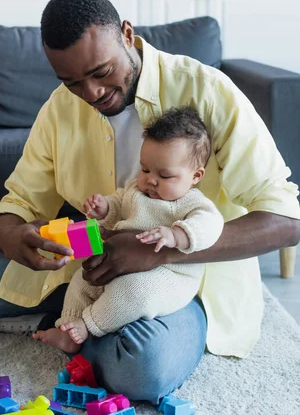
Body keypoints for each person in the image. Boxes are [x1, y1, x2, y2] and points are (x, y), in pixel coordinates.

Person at [0, 0, 300, 404]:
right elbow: (19, 200)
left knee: (142, 368)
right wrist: (14, 238)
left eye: (101, 72)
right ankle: (85, 321)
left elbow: (286, 221)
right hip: (90, 255)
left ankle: (84, 327)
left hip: (179, 279)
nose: (91, 93)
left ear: (126, 33)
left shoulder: (207, 90)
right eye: (72, 82)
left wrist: (163, 252)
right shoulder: (60, 107)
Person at [34, 106, 224, 351]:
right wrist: (103, 208)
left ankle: (88, 325)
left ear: (195, 176)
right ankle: (67, 328)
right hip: (117, 264)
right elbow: (118, 205)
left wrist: (177, 235)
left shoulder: (190, 203)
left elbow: (211, 223)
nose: (150, 180)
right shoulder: (135, 190)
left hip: (167, 275)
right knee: (82, 281)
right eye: (145, 169)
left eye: (165, 175)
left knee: (133, 292)